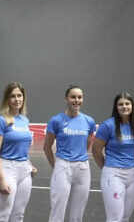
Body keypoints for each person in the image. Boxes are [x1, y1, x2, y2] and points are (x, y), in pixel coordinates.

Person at [43, 84, 96, 222]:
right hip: (63, 166)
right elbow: (47, 147)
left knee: (77, 215)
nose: (76, 100)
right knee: (57, 211)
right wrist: (57, 166)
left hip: (83, 169)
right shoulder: (56, 120)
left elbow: (87, 143)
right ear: (66, 99)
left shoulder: (88, 121)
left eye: (80, 97)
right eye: (73, 97)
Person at [0, 82, 37, 222]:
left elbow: (22, 147)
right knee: (2, 216)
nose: (17, 99)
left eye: (20, 95)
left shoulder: (24, 120)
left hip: (24, 172)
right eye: (13, 96)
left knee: (18, 216)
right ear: (7, 99)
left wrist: (29, 164)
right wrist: (2, 179)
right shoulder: (0, 120)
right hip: (6, 170)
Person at [92, 92, 134, 222]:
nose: (124, 106)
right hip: (113, 174)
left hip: (133, 175)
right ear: (116, 107)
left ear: (132, 106)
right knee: (115, 217)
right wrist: (107, 169)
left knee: (125, 217)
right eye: (120, 104)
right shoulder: (107, 125)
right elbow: (96, 151)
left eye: (127, 103)